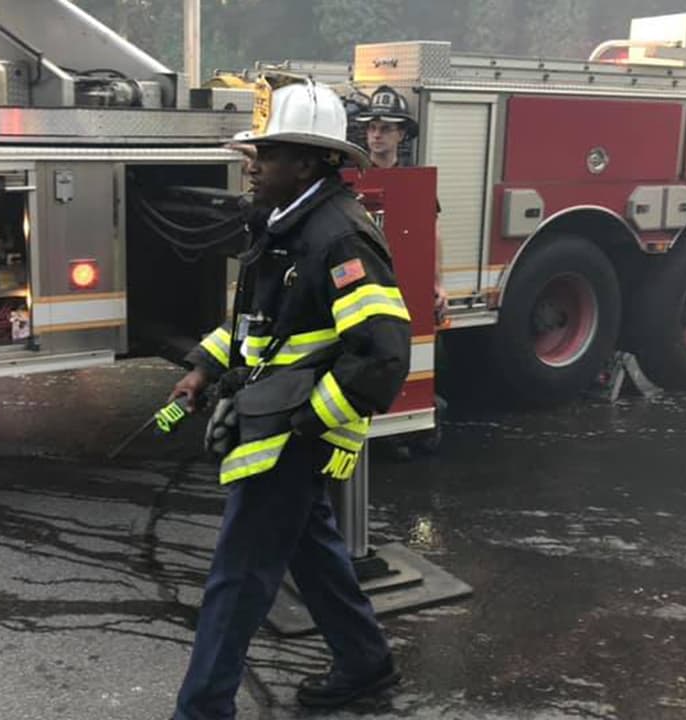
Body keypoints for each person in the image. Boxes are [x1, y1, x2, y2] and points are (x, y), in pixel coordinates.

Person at [169, 79, 412, 719]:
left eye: (266, 154)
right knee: (311, 548)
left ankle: (203, 709)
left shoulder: (338, 239)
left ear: (306, 161)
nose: (251, 165)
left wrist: (306, 425)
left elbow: (382, 353)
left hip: (289, 439)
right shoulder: (279, 229)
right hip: (274, 427)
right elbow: (256, 329)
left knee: (239, 576)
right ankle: (365, 661)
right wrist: (201, 366)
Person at [355, 85, 447, 320]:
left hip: (404, 278)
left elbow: (432, 231)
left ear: (402, 135)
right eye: (372, 128)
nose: (376, 135)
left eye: (385, 129)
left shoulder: (414, 181)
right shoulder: (352, 178)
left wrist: (437, 282)